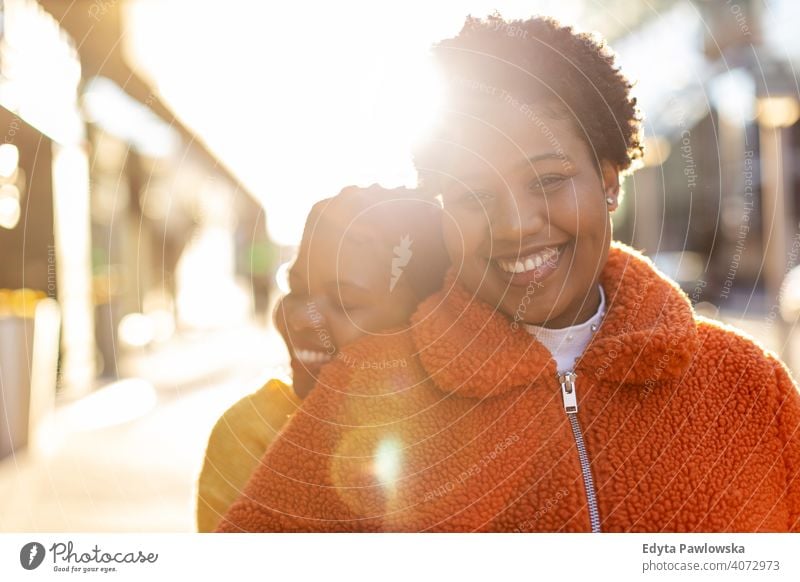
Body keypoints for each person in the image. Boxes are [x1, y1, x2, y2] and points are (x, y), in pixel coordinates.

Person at [216, 15, 800, 533]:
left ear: (609, 176)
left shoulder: (749, 389)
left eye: (547, 181)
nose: (516, 225)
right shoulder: (361, 395)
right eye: (471, 196)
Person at [196, 184, 448, 531]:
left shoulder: (471, 434)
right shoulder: (249, 436)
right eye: (297, 290)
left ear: (426, 319)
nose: (301, 318)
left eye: (347, 302)